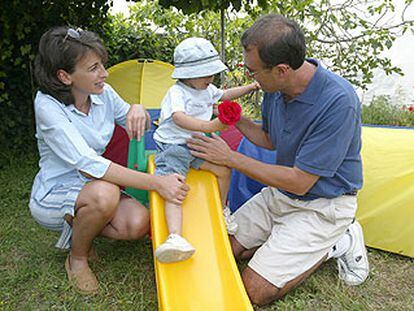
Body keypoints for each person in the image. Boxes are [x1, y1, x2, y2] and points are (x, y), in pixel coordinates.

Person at [188, 14, 369, 305]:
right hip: (281, 196)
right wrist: (235, 119)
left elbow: (300, 182)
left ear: (282, 70)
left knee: (254, 291)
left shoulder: (338, 102)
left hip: (322, 206)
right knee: (220, 249)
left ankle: (338, 242)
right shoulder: (275, 88)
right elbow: (270, 139)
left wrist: (230, 158)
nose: (250, 77)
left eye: (253, 71)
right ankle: (285, 243)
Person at [29, 26, 189, 295]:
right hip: (56, 192)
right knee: (104, 194)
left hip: (97, 186)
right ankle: (78, 258)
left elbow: (136, 120)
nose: (103, 72)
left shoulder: (103, 93)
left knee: (136, 223)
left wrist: (137, 108)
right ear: (65, 76)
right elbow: (89, 163)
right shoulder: (47, 106)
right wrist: (157, 183)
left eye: (101, 64)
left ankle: (82, 228)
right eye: (93, 68)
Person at [153, 37, 259, 263]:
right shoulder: (177, 93)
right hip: (174, 147)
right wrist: (209, 126)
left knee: (224, 170)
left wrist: (250, 87)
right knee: (175, 187)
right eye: (206, 74)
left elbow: (224, 95)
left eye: (212, 73)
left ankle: (221, 211)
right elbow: (178, 118)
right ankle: (174, 236)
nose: (210, 78)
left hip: (196, 146)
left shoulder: (206, 88)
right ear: (187, 74)